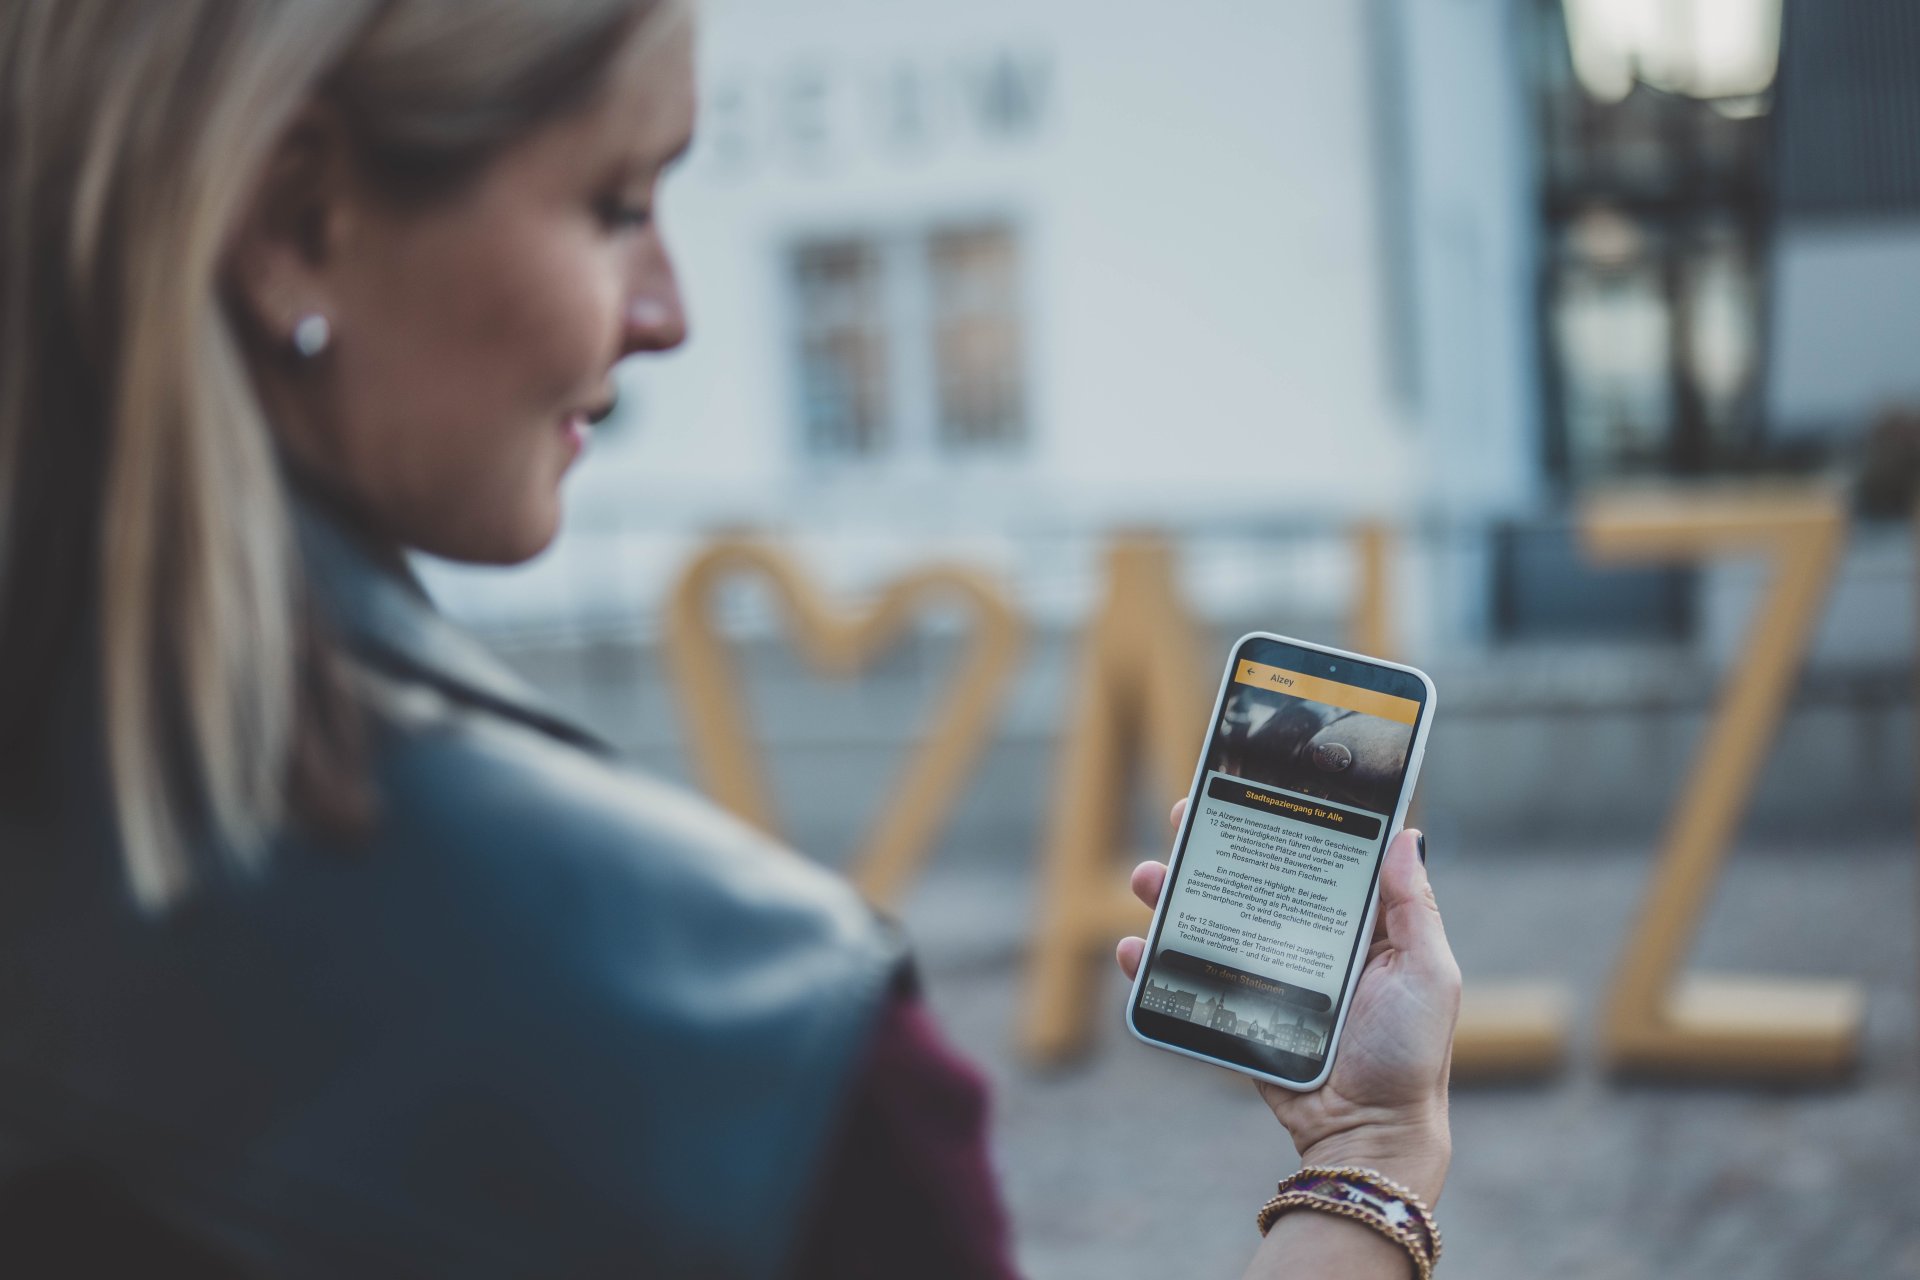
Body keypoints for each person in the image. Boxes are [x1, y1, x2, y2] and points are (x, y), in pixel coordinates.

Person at [0, 1, 1460, 1276]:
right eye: (616, 200)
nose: (672, 313)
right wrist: (1371, 1169)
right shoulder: (766, 1057)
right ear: (297, 219)